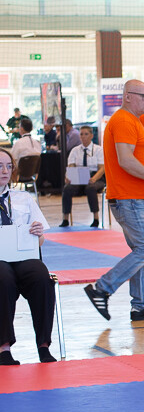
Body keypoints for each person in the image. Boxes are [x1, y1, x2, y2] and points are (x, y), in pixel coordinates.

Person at [83, 79, 144, 323]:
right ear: (127, 96)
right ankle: (102, 288)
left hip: (136, 196)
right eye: (143, 96)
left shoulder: (137, 120)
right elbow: (125, 160)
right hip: (129, 198)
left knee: (140, 251)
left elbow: (135, 158)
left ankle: (141, 305)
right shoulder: (124, 120)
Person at [0, 148, 57, 364]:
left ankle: (44, 345)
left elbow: (40, 241)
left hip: (23, 256)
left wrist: (38, 233)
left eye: (8, 166)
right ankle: (4, 347)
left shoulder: (24, 198)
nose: (5, 171)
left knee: (41, 275)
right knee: (3, 277)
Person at [60, 125, 105, 228]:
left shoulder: (98, 150)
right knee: (67, 188)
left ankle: (96, 218)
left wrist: (94, 178)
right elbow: (71, 166)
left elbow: (102, 168)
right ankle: (65, 219)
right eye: (81, 134)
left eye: (86, 134)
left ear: (91, 136)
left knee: (90, 188)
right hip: (79, 175)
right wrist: (68, 176)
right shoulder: (75, 150)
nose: (83, 136)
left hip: (95, 177)